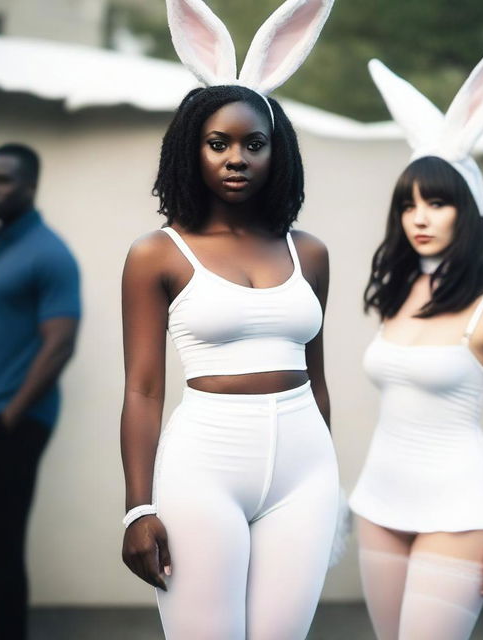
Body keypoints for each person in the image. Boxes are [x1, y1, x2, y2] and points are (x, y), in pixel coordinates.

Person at [120, 1, 338, 638]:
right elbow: (142, 389)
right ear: (194, 150)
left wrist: (333, 475)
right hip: (203, 466)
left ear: (278, 153)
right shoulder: (157, 254)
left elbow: (316, 376)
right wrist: (137, 507)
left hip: (307, 472)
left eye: (254, 143)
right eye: (219, 143)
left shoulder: (311, 253)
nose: (236, 157)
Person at [349, 36, 483, 639]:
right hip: (380, 502)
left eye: (437, 203)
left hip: (462, 511)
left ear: (467, 211)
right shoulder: (396, 290)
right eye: (409, 204)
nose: (419, 217)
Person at [0, 143, 81, 640]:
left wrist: (9, 418)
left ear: (30, 186)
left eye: (3, 180)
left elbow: (60, 344)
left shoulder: (50, 254)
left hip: (14, 420)